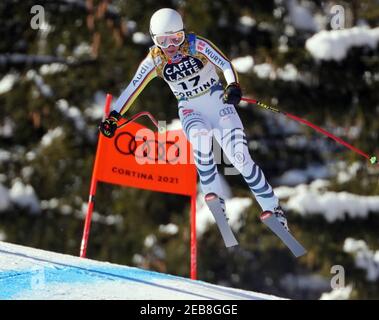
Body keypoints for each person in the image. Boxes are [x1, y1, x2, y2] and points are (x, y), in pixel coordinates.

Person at [99, 8, 288, 230]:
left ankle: (273, 208)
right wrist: (113, 117)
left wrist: (233, 86)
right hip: (190, 109)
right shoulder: (155, 60)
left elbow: (225, 64)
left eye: (176, 38)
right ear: (154, 39)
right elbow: (133, 88)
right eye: (163, 40)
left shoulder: (196, 45)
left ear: (183, 33)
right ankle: (214, 200)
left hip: (218, 104)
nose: (171, 46)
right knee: (200, 141)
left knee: (240, 158)